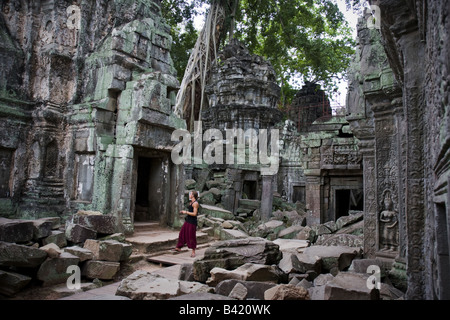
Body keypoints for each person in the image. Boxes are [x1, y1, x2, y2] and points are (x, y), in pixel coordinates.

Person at [174, 191, 199, 257]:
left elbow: (194, 214)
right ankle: (179, 247)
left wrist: (186, 212)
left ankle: (193, 251)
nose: (189, 195)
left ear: (193, 195)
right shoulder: (191, 202)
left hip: (192, 222)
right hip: (188, 220)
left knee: (191, 236)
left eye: (190, 194)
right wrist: (184, 212)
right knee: (182, 233)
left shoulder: (195, 203)